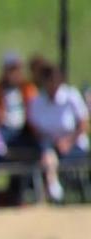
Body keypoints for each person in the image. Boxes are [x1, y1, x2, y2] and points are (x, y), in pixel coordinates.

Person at [28, 63, 90, 202]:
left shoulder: (71, 96)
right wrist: (50, 140)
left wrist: (68, 141)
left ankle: (50, 190)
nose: (52, 84)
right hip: (48, 145)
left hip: (74, 145)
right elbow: (34, 127)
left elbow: (83, 124)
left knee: (49, 156)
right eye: (48, 80)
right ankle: (53, 186)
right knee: (49, 154)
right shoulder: (37, 101)